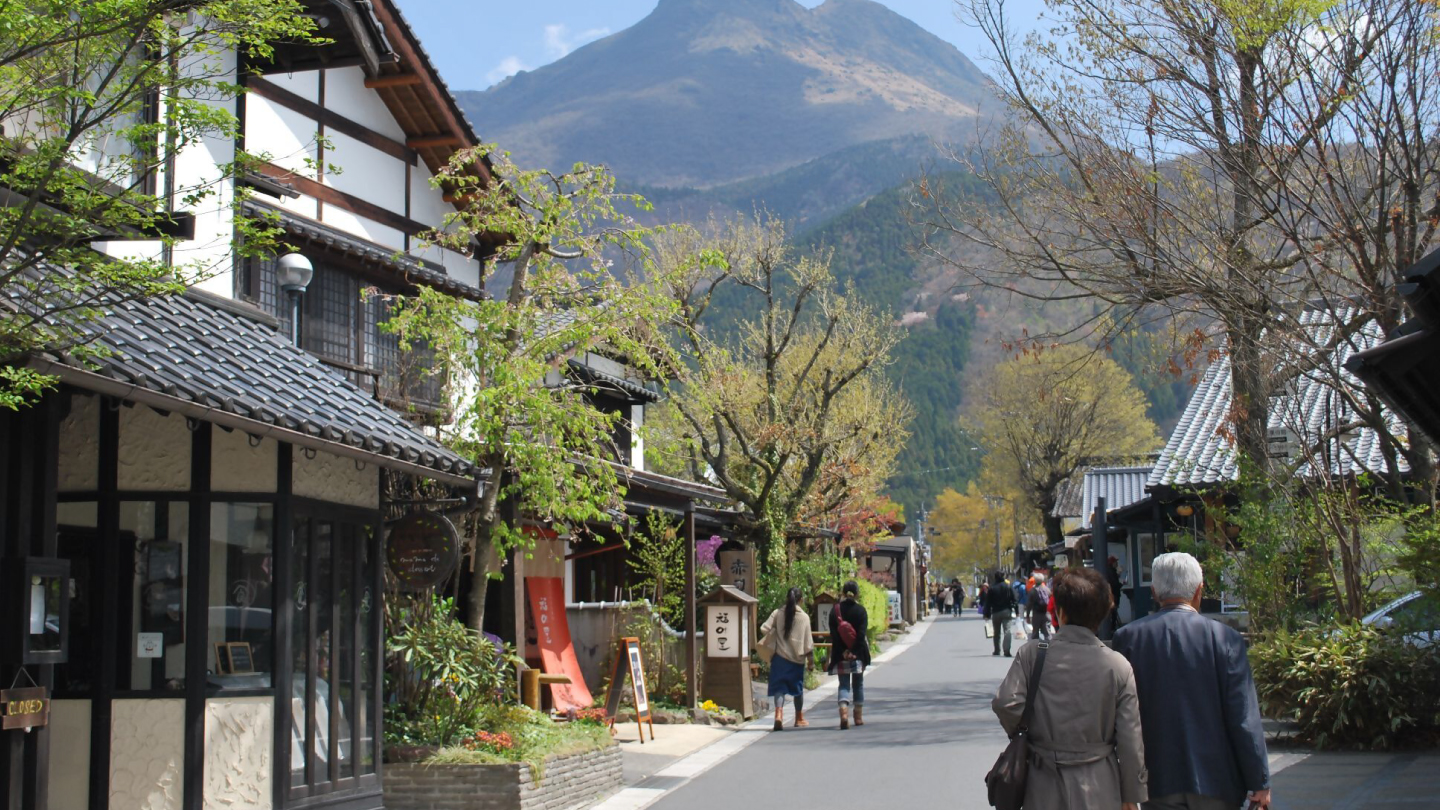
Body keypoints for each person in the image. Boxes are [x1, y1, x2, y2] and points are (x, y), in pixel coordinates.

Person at [1112, 553, 1271, 810]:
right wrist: (1259, 781)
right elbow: (1244, 717)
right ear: (1199, 590)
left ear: (1154, 592)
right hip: (1217, 782)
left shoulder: (1127, 639)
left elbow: (1121, 715)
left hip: (1154, 780)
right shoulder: (1226, 639)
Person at [992, 568, 1148, 810]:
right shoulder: (1117, 666)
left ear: (1061, 612)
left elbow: (1006, 703)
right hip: (1099, 783)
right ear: (1103, 613)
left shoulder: (1033, 655)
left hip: (1042, 779)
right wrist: (1131, 794)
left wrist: (1028, 732)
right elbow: (1130, 739)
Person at [761, 587, 814, 731]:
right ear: (801, 600)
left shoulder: (778, 613)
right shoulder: (804, 617)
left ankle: (778, 715)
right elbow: (808, 644)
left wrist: (774, 632)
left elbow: (764, 628)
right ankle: (799, 718)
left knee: (779, 688)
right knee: (797, 690)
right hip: (796, 660)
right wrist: (811, 662)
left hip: (779, 658)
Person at [828, 580, 870, 729]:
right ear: (857, 594)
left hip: (841, 655)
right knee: (858, 684)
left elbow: (834, 635)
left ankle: (844, 713)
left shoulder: (835, 611)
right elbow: (861, 635)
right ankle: (858, 717)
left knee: (843, 684)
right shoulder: (861, 611)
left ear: (843, 593)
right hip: (858, 654)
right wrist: (854, 652)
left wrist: (844, 651)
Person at [983, 571, 1017, 656]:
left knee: (996, 632)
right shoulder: (1008, 586)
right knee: (1007, 631)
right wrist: (1016, 611)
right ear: (1003, 577)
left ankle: (997, 650)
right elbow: (1015, 599)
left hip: (996, 612)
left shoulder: (992, 588)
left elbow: (988, 602)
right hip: (1007, 611)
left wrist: (987, 614)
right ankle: (1007, 650)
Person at [1028, 571, 1052, 640]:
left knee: (1035, 633)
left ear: (1035, 580)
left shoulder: (1032, 591)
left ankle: (1035, 649)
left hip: (1036, 614)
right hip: (1046, 613)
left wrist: (1027, 615)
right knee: (1047, 633)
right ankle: (1049, 648)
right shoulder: (1047, 590)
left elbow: (1029, 604)